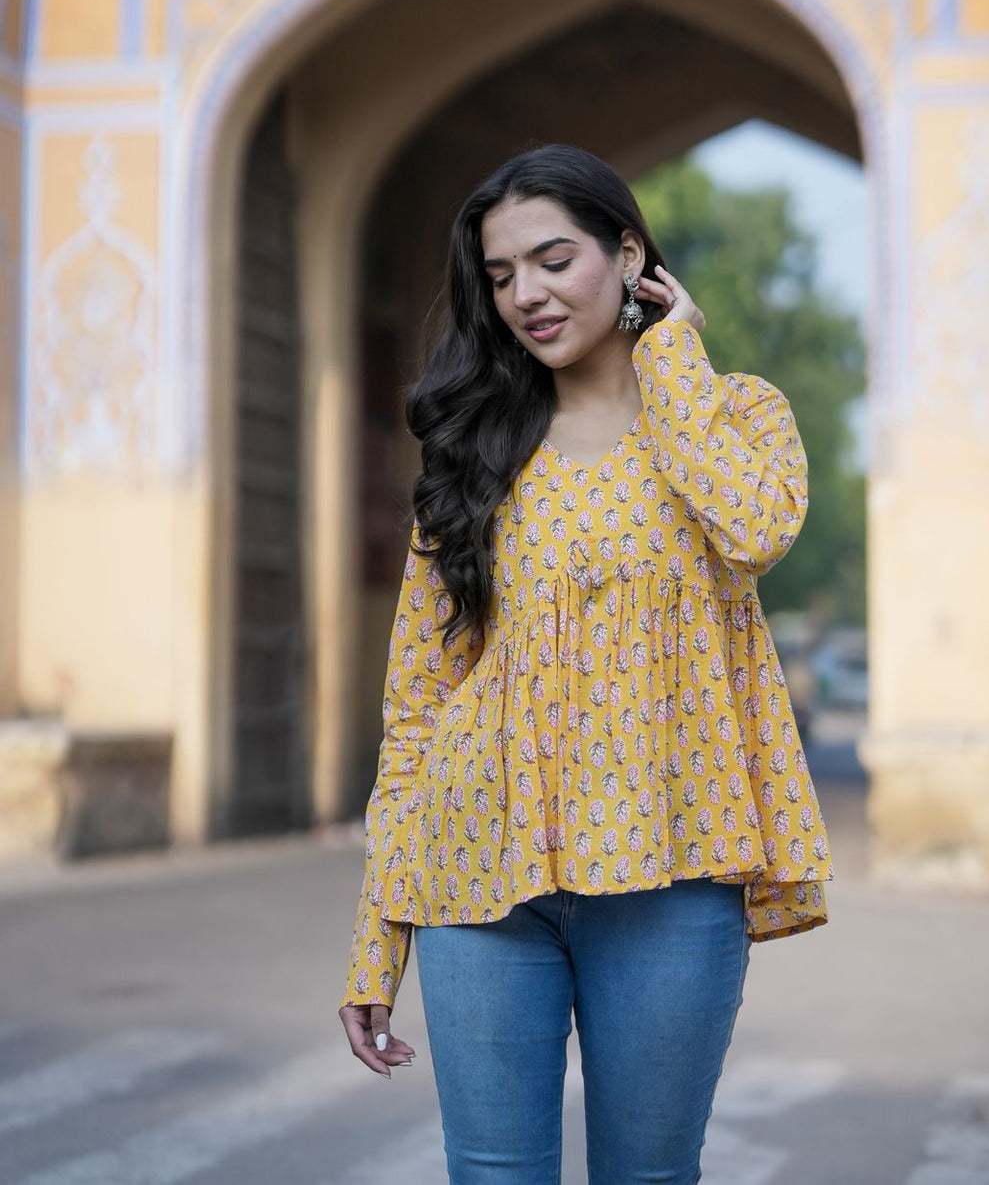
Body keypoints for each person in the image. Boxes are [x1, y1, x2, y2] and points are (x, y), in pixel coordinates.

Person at [339, 143, 834, 1184]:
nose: (526, 293)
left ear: (629, 254)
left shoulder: (735, 415)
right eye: (501, 273)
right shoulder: (475, 452)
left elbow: (750, 532)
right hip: (478, 876)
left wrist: (670, 355)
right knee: (492, 1173)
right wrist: (377, 938)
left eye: (553, 259)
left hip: (671, 874)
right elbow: (419, 707)